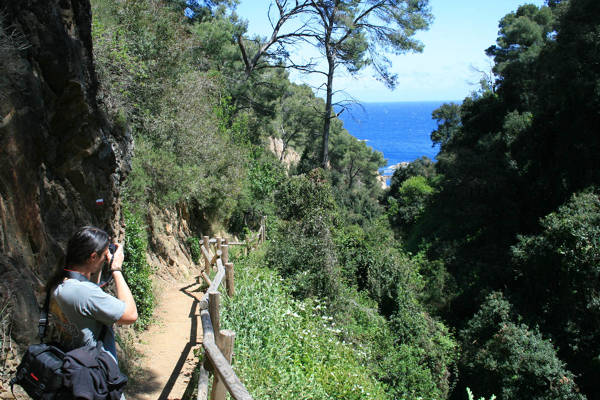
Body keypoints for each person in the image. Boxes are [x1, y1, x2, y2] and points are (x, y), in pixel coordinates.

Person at [47, 226, 137, 382]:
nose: (106, 257)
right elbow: (130, 315)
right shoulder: (83, 292)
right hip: (96, 379)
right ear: (93, 257)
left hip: (74, 371)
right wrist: (116, 269)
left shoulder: (59, 284)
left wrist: (99, 266)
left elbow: (89, 300)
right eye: (103, 255)